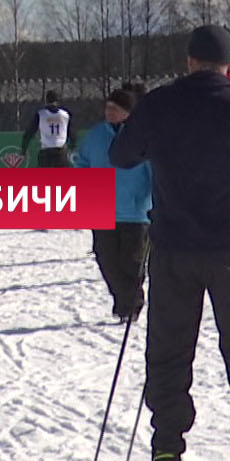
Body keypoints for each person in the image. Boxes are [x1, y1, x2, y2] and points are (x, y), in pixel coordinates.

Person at [108, 25, 230, 461]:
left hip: (173, 247)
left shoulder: (160, 104)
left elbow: (121, 155)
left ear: (188, 60)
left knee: (168, 354)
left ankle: (166, 457)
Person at [76, 88, 153, 320]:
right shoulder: (96, 134)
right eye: (107, 107)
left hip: (136, 211)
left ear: (127, 112)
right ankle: (124, 300)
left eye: (114, 108)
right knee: (106, 259)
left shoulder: (143, 136)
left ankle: (130, 306)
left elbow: (156, 171)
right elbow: (82, 162)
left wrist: (156, 201)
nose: (108, 112)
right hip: (103, 208)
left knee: (132, 262)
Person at [22, 90, 73, 167]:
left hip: (46, 153)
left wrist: (24, 149)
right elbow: (71, 133)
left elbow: (29, 132)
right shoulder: (65, 115)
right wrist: (72, 146)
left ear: (46, 101)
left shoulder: (41, 114)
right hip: (61, 153)